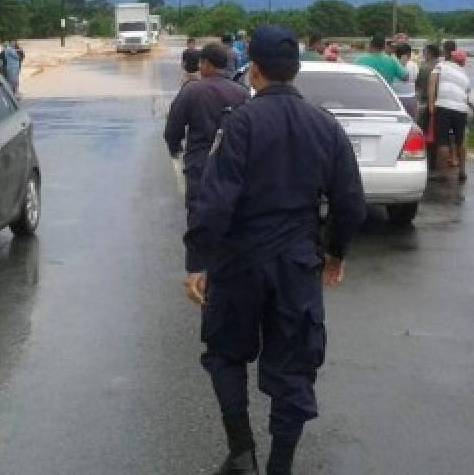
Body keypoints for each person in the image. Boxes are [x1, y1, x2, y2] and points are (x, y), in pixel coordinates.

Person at [185, 26, 366, 475]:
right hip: (296, 266)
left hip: (237, 264)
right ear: (296, 71)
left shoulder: (240, 123)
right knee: (294, 367)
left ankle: (242, 451)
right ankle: (280, 466)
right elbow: (350, 201)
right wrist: (336, 253)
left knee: (226, 353)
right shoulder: (326, 125)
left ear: (256, 72)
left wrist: (198, 262)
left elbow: (215, 200)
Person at [165, 43, 249, 213]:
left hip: (199, 165)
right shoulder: (242, 92)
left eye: (201, 63)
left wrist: (176, 150)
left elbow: (173, 128)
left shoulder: (191, 90)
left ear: (207, 64)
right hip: (233, 165)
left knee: (198, 214)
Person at [428, 47, 473, 181]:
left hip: (444, 106)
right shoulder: (465, 76)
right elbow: (467, 95)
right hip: (461, 110)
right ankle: (462, 172)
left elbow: (432, 83)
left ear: (452, 58)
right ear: (462, 63)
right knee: (460, 140)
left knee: (443, 140)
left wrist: (431, 103)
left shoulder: (441, 66)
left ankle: (443, 174)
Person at [415, 43, 442, 169]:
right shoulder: (442, 66)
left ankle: (423, 160)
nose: (423, 54)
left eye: (424, 52)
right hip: (441, 103)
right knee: (437, 133)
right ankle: (434, 161)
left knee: (423, 131)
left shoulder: (425, 67)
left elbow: (419, 86)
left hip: (426, 102)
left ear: (430, 53)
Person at [393, 43, 419, 117]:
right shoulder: (414, 65)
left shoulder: (392, 64)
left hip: (395, 99)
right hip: (410, 98)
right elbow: (416, 80)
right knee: (410, 125)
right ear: (409, 54)